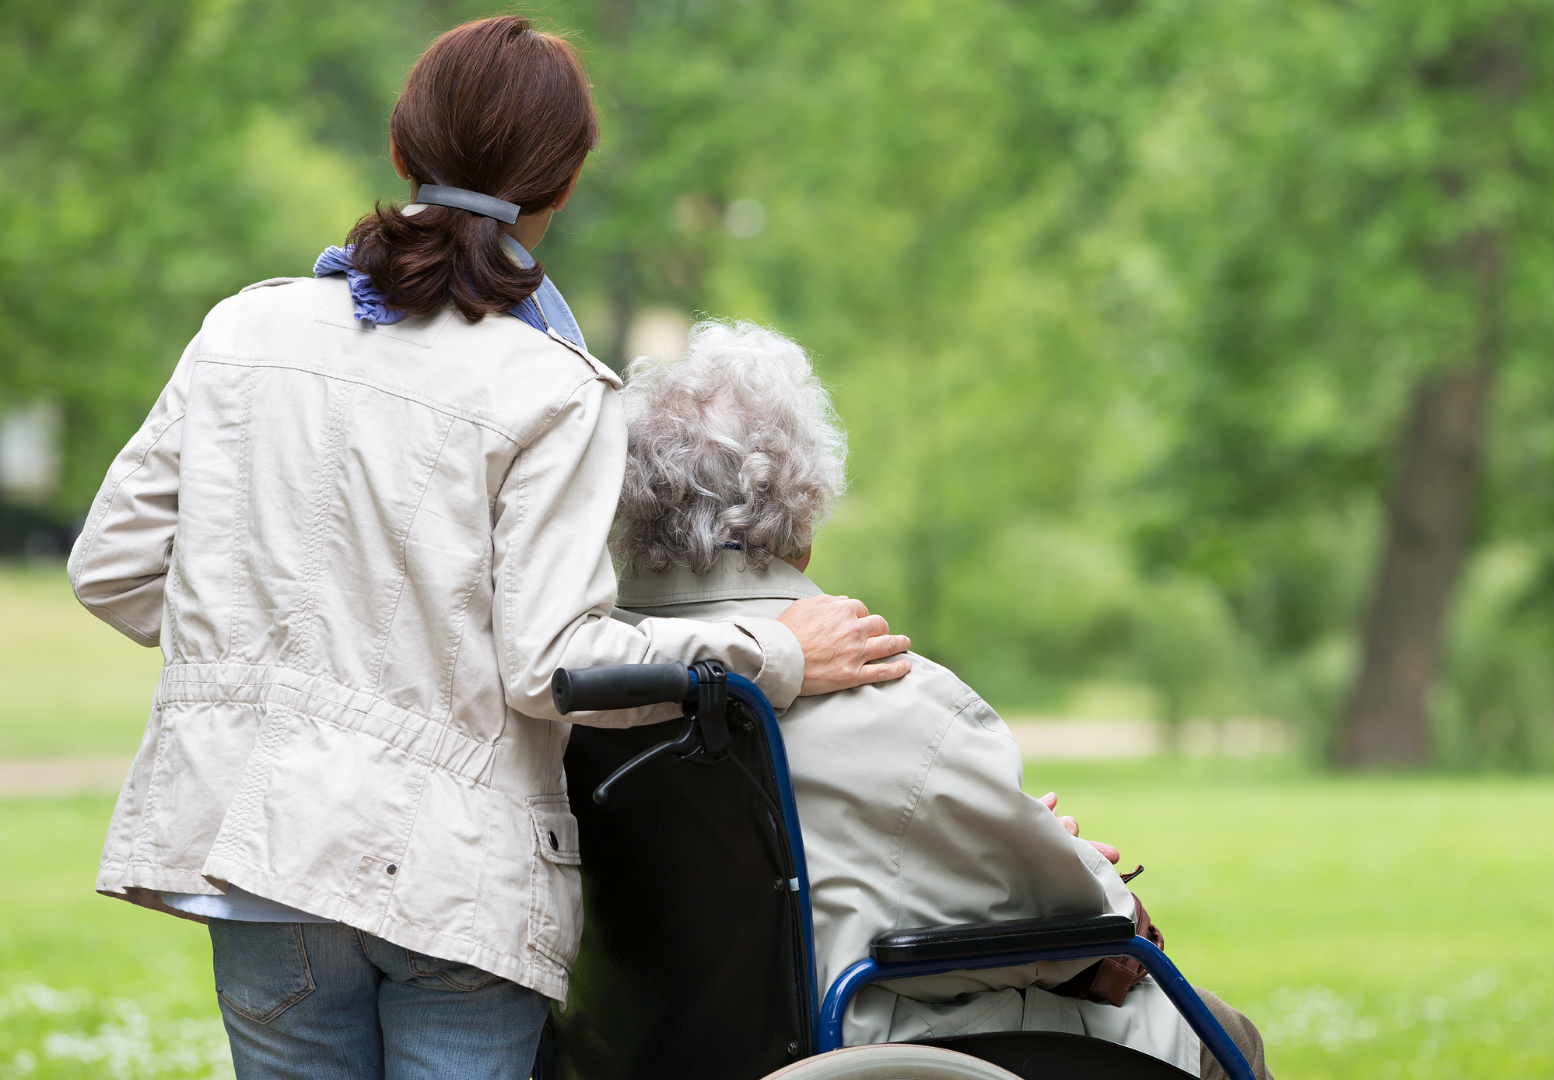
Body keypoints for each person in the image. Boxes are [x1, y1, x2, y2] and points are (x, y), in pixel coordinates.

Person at [66, 17, 908, 1080]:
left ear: (400, 148)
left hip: (258, 847)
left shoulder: (243, 330)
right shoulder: (552, 387)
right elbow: (552, 665)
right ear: (562, 187)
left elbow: (112, 568)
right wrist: (776, 654)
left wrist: (274, 635)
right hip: (452, 873)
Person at [610, 320, 1274, 1080]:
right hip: (866, 1047)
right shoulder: (892, 696)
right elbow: (1095, 940)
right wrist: (1070, 869)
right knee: (1222, 1033)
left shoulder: (598, 682)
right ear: (802, 502)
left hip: (662, 1051)